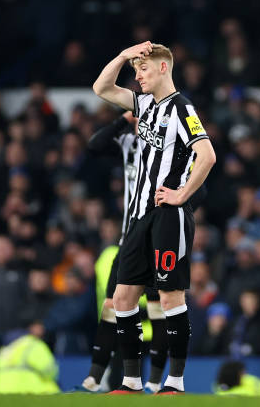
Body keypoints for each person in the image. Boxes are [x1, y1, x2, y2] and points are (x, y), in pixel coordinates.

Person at [93, 41, 216, 394]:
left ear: (163, 68)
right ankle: (131, 381)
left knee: (169, 297)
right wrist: (121, 56)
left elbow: (207, 155)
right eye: (135, 72)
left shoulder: (182, 108)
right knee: (122, 299)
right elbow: (101, 88)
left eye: (142, 70)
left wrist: (181, 195)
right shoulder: (144, 104)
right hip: (139, 217)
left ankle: (174, 382)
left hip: (168, 216)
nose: (138, 77)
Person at [75, 112, 168, 393]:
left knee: (159, 312)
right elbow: (93, 145)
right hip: (128, 240)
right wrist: (123, 119)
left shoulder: (170, 149)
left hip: (158, 241)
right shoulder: (129, 143)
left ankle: (154, 383)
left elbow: (198, 190)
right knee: (110, 308)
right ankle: (92, 381)